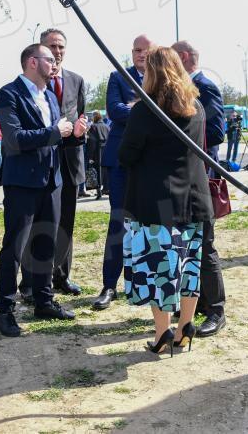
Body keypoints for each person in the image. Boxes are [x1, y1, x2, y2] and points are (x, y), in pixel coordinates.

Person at [118, 46, 213, 355]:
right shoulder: (196, 106)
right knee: (189, 265)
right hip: (193, 200)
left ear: (152, 73)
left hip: (157, 204)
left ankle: (162, 333)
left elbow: (126, 155)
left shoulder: (145, 111)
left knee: (160, 270)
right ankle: (186, 326)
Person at [0, 43, 76, 337]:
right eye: (49, 59)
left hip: (51, 181)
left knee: (46, 244)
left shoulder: (50, 96)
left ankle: (44, 301)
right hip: (22, 183)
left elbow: (55, 139)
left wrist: (74, 134)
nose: (55, 62)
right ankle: (5, 310)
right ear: (32, 62)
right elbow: (15, 139)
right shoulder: (8, 94)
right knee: (14, 248)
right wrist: (55, 132)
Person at [20, 28, 88, 297]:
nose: (57, 52)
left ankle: (61, 276)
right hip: (40, 164)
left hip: (69, 164)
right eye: (52, 46)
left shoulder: (76, 80)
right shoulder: (32, 81)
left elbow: (80, 115)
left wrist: (80, 132)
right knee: (37, 224)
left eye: (61, 46)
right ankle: (30, 282)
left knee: (65, 224)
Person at [172, 40, 227, 338]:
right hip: (183, 179)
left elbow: (216, 132)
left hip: (201, 177)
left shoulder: (205, 87)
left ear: (183, 57)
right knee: (187, 245)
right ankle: (197, 303)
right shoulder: (180, 90)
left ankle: (216, 309)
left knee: (205, 245)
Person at [93, 34, 153, 310]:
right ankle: (109, 285)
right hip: (121, 161)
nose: (141, 54)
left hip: (150, 161)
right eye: (137, 50)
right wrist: (146, 108)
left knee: (149, 223)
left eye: (146, 50)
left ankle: (142, 283)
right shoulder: (118, 77)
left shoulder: (162, 77)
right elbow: (115, 112)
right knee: (119, 221)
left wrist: (135, 107)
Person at [86, 111, 109, 199]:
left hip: (97, 151)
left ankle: (99, 191)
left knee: (97, 171)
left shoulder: (93, 127)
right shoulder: (106, 126)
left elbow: (91, 142)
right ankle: (106, 188)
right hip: (106, 149)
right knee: (105, 170)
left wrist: (90, 156)